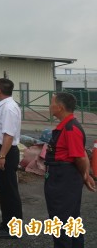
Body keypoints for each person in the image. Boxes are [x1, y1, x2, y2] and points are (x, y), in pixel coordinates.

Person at [44, 92, 96, 248]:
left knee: (60, 223)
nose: (50, 106)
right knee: (71, 219)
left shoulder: (70, 128)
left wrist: (85, 176)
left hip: (63, 178)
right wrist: (85, 176)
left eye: (52, 103)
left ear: (59, 107)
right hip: (62, 177)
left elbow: (80, 157)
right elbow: (82, 154)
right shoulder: (67, 126)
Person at [0, 78, 23, 239]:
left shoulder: (9, 108)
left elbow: (8, 135)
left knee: (9, 191)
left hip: (5, 151)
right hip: (1, 149)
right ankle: (7, 222)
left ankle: (14, 229)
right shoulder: (4, 106)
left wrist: (1, 155)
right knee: (3, 190)